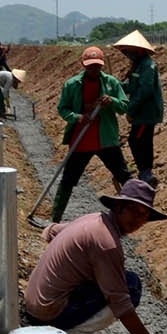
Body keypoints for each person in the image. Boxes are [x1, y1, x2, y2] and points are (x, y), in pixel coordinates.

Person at [23, 178, 167, 334]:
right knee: (131, 285)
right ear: (119, 205)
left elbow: (50, 231)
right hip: (47, 315)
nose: (138, 220)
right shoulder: (107, 243)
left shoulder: (92, 219)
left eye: (144, 215)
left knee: (114, 277)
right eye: (133, 210)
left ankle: (72, 326)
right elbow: (121, 303)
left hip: (33, 304)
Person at [50, 45, 130, 222]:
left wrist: (113, 101)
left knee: (124, 176)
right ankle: (55, 219)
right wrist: (77, 117)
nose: (94, 69)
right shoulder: (72, 85)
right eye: (90, 65)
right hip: (81, 141)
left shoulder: (111, 83)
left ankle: (136, 211)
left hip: (107, 139)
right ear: (83, 65)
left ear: (102, 65)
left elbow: (124, 107)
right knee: (68, 180)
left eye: (97, 65)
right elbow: (63, 109)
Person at [115, 30, 163, 185]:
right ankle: (145, 172)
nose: (127, 54)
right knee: (140, 140)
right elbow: (133, 86)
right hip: (141, 111)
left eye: (129, 50)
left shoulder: (148, 66)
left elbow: (144, 91)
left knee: (137, 140)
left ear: (139, 50)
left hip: (146, 112)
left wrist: (130, 109)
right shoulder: (138, 65)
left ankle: (146, 173)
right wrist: (117, 86)